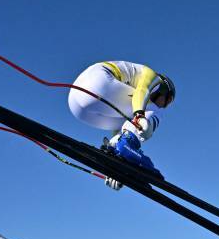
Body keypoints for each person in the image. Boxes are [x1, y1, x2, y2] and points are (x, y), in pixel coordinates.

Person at [68, 61, 175, 190]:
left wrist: (115, 167)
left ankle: (119, 148)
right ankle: (127, 146)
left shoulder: (128, 88)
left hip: (77, 105)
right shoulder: (154, 77)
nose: (164, 105)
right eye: (168, 101)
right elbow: (141, 91)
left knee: (124, 124)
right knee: (153, 110)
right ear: (165, 89)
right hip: (98, 83)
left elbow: (122, 126)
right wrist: (140, 115)